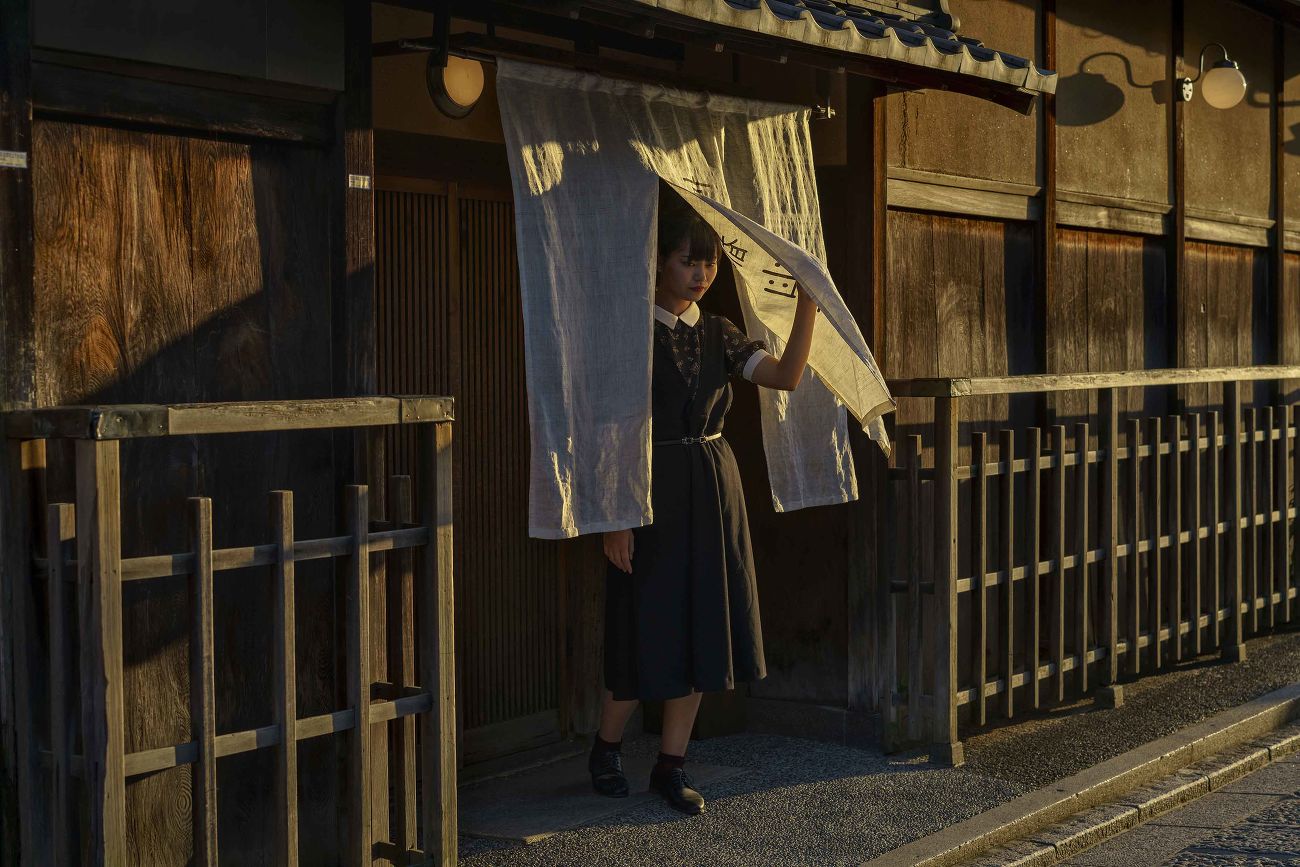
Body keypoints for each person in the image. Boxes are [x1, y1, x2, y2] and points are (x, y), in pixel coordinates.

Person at [589, 191, 818, 815]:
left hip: (713, 487)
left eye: (709, 264)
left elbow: (785, 377)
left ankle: (672, 765)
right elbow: (610, 428)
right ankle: (606, 747)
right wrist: (614, 516)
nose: (701, 274)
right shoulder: (630, 332)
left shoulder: (719, 331)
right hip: (649, 491)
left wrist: (808, 312)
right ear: (661, 262)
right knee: (645, 624)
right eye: (690, 261)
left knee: (700, 626)